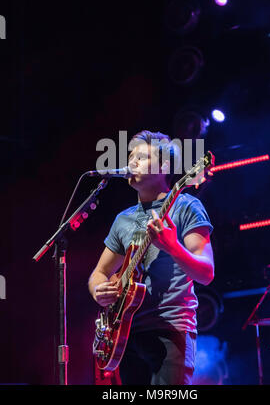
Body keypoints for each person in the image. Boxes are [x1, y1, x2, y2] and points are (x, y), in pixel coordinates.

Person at [88, 130, 214, 385]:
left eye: (142, 157)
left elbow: (206, 273)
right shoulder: (123, 219)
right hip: (126, 334)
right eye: (130, 156)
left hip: (172, 330)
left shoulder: (186, 206)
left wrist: (173, 246)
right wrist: (98, 291)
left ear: (164, 165)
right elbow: (97, 275)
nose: (131, 162)